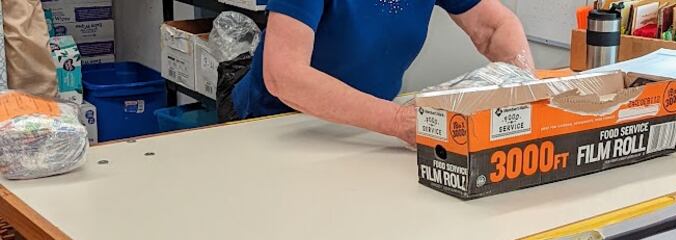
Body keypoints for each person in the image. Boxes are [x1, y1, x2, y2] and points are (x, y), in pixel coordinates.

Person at [223, 0, 535, 144]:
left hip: (365, 128)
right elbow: (284, 75)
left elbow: (495, 27)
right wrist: (398, 121)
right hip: (277, 127)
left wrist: (529, 88)